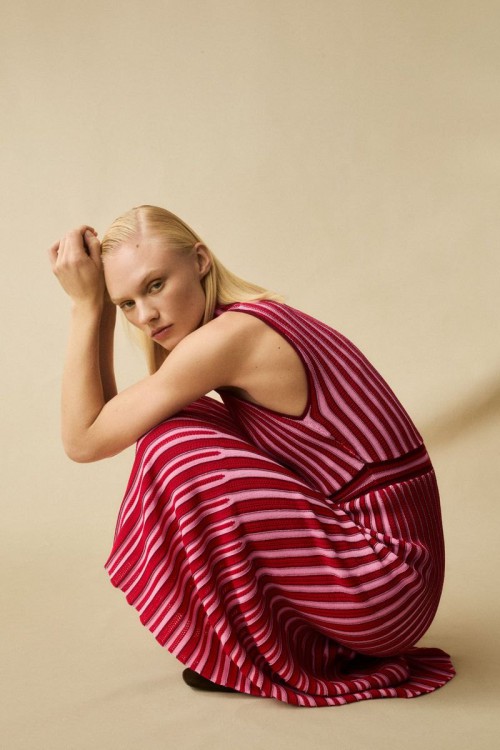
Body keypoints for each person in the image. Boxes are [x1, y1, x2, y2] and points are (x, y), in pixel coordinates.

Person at [48, 204, 455, 707]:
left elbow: (84, 440)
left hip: (388, 588)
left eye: (155, 285)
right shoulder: (247, 321)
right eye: (127, 303)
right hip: (395, 578)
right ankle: (279, 637)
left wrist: (86, 307)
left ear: (200, 261)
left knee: (172, 444)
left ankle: (266, 647)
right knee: (174, 421)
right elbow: (112, 418)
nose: (145, 315)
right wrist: (105, 306)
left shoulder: (229, 339)